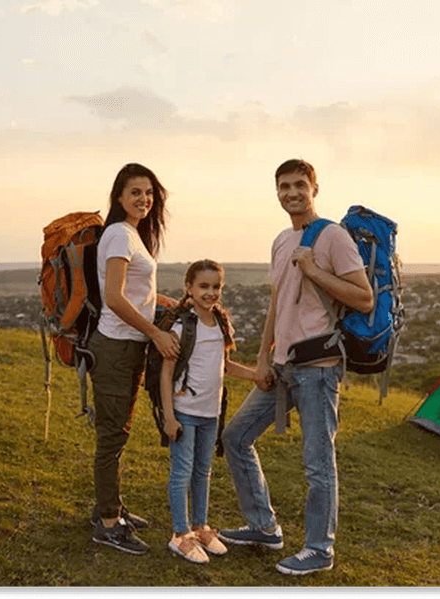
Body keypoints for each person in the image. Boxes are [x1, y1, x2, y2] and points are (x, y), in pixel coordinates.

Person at [218, 159, 374, 575]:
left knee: (318, 463)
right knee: (235, 437)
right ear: (277, 192)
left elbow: (364, 298)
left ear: (315, 189)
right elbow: (277, 299)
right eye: (284, 186)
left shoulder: (333, 238)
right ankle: (264, 526)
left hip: (318, 369)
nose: (292, 193)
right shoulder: (281, 240)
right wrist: (264, 355)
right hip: (283, 367)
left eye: (300, 185)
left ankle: (320, 549)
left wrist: (314, 270)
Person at [88, 163, 180, 554]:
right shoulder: (118, 235)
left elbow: (132, 291)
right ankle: (107, 523)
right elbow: (113, 297)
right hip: (115, 346)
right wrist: (155, 332)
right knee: (111, 436)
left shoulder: (133, 235)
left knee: (119, 431)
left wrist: (164, 302)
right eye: (135, 193)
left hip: (129, 344)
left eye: (149, 193)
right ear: (119, 197)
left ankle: (110, 509)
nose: (144, 199)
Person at [160, 260, 257, 564]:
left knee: (203, 471)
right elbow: (166, 374)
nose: (210, 292)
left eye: (216, 287)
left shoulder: (222, 324)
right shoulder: (181, 327)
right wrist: (169, 416)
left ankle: (201, 527)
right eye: (203, 286)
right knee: (182, 472)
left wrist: (255, 376)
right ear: (188, 287)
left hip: (210, 413)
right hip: (185, 412)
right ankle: (180, 534)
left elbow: (224, 366)